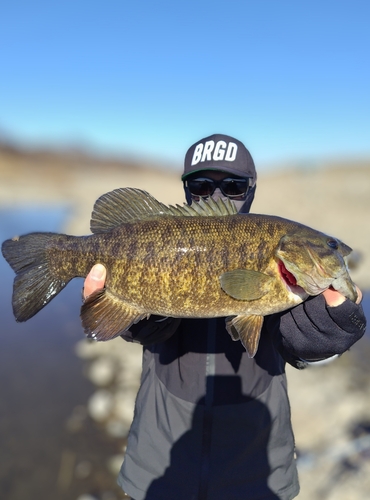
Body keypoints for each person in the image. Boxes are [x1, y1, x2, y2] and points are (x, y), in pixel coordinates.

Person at [83, 134, 366, 500]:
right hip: (159, 468)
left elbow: (306, 352)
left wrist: (326, 338)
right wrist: (135, 318)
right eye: (200, 185)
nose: (216, 196)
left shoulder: (289, 277)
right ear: (185, 188)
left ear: (251, 189)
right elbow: (137, 327)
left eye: (232, 186)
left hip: (256, 473)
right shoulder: (162, 232)